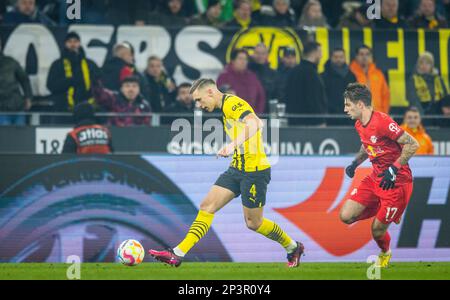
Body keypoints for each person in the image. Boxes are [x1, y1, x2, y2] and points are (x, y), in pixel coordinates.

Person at [149, 78, 305, 268]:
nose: (198, 105)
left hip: (254, 171)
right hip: (237, 168)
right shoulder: (225, 107)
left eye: (199, 100)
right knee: (206, 206)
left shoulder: (232, 103)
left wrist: (232, 144)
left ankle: (292, 247)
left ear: (210, 92)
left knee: (254, 223)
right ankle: (177, 254)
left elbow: (256, 124)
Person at [340, 83, 419, 268]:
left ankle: (385, 253)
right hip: (376, 178)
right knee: (345, 216)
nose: (345, 109)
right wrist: (355, 163)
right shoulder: (359, 124)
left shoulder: (383, 122)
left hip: (396, 183)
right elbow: (368, 145)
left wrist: (394, 168)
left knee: (376, 230)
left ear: (360, 104)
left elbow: (413, 144)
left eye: (348, 105)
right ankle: (392, 211)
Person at [47, 32, 100, 112]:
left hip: (87, 109)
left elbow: (99, 85)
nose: (73, 44)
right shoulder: (57, 64)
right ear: (65, 44)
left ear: (79, 43)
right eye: (69, 42)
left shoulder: (90, 64)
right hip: (63, 109)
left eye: (75, 41)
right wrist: (69, 81)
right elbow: (50, 85)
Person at [285, 41, 327, 126]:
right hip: (310, 125)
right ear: (315, 52)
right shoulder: (312, 74)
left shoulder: (293, 72)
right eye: (320, 52)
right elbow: (315, 99)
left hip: (293, 123)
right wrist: (321, 121)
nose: (321, 56)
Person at [217, 49, 266, 114]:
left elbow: (261, 97)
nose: (243, 62)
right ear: (233, 61)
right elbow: (218, 99)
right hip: (232, 119)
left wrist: (257, 114)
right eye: (240, 59)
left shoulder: (252, 76)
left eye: (245, 59)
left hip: (251, 118)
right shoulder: (224, 77)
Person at [0, 37, 32, 126]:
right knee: (5, 137)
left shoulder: (10, 61)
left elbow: (24, 79)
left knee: (21, 135)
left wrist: (28, 97)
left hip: (17, 106)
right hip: (1, 110)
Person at [350, 45, 390, 114]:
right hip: (358, 115)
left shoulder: (378, 74)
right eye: (361, 54)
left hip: (377, 114)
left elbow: (385, 95)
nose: (364, 57)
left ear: (371, 56)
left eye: (367, 54)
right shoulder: (350, 73)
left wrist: (384, 112)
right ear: (356, 57)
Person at [321, 48, 357, 115]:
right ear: (330, 58)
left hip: (348, 116)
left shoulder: (351, 76)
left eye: (341, 57)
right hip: (329, 116)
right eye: (336, 57)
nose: (338, 59)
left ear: (345, 58)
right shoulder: (323, 76)